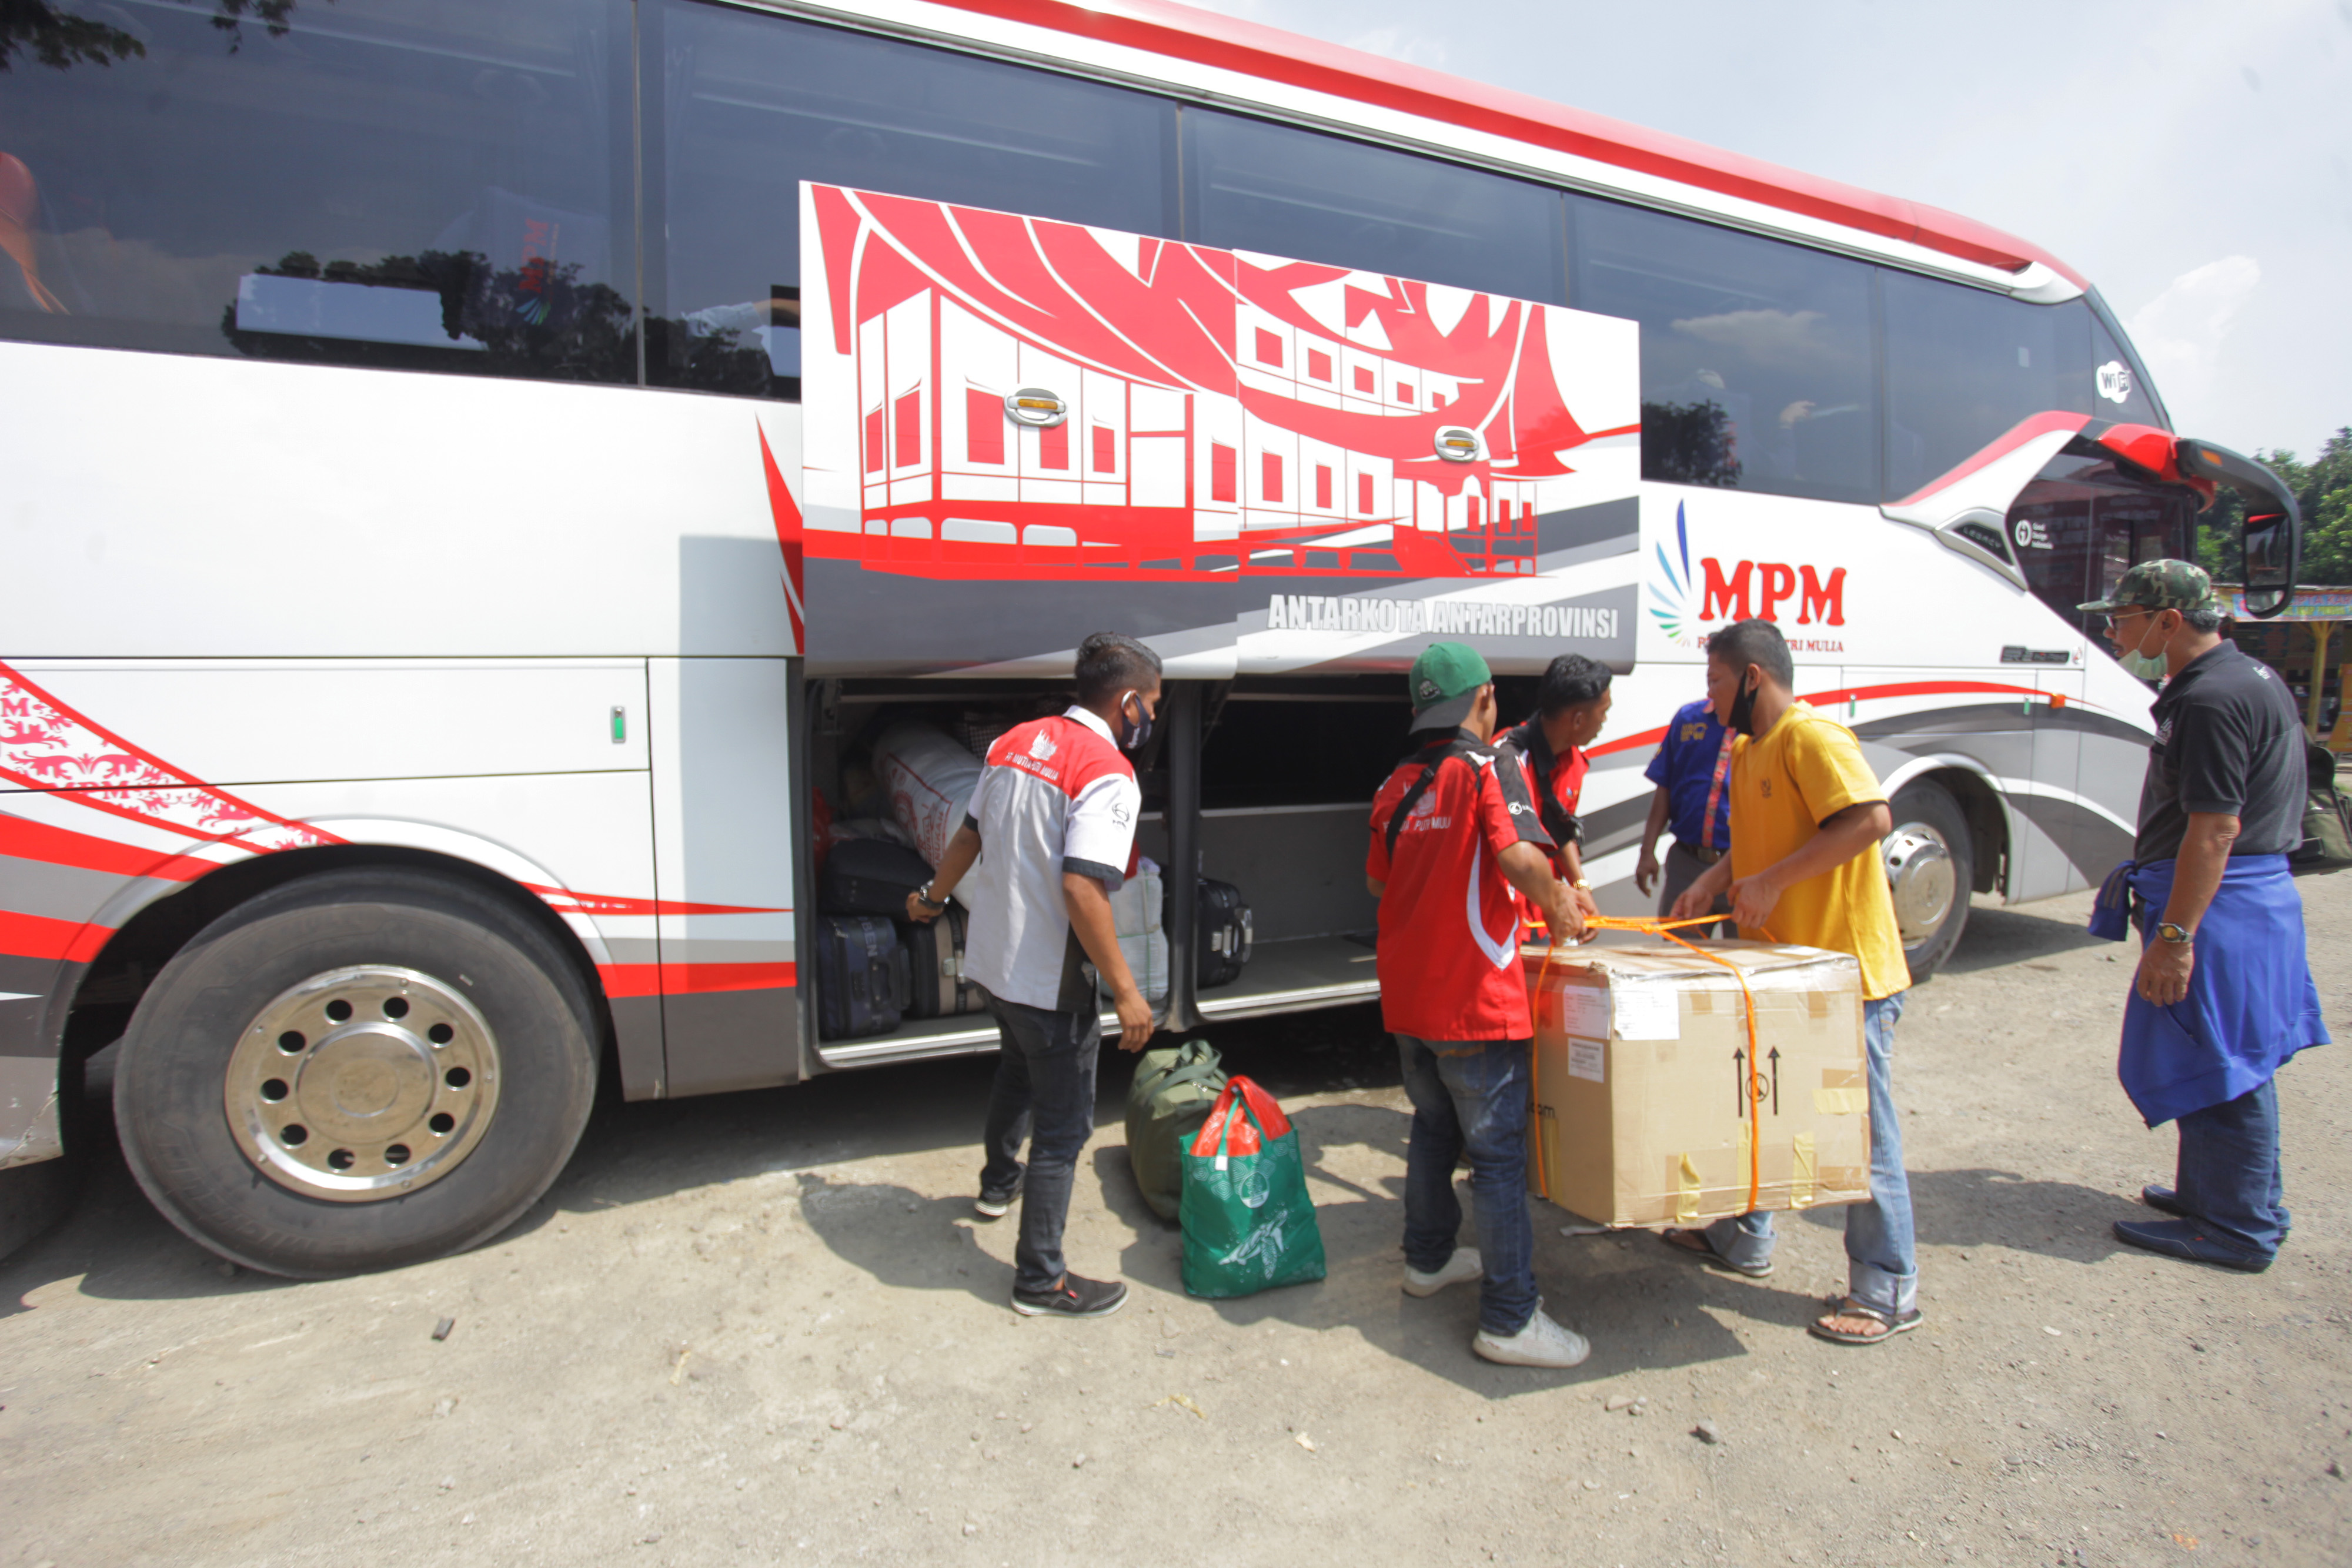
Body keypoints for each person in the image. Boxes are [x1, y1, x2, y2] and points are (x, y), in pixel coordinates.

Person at [1668, 620, 1920, 1346]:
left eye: (1715, 682)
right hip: (1782, 975)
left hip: (1846, 978)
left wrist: (1773, 883)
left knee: (1860, 1133)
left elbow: (1870, 819)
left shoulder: (1812, 738)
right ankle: (1744, 1237)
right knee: (1762, 1111)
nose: (1709, 700)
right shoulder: (1747, 750)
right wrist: (1713, 883)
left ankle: (1887, 1288)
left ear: (1752, 677)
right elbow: (1756, 845)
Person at [2081, 561, 2330, 1272]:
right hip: (2247, 899)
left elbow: (2214, 829)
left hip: (2218, 906)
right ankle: (2216, 1197)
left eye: (2122, 617)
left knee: (2225, 1061)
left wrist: (2175, 936)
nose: (2113, 630)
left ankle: (2237, 1227)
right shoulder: (2246, 677)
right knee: (2220, 1053)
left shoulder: (2210, 700)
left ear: (2168, 620)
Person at [908, 632, 1162, 1318]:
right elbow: (1084, 887)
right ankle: (1041, 1281)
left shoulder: (1014, 741)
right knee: (1062, 1129)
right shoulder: (1107, 771)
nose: (1154, 719)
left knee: (1016, 1073)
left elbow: (969, 836)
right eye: (1155, 705)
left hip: (993, 961)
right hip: (1049, 982)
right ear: (1130, 702)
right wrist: (1129, 991)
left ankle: (997, 1187)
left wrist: (933, 899)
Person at [1367, 642, 1590, 1368]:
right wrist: (1558, 903)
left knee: (1433, 1127)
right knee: (1496, 1160)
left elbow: (1379, 885)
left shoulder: (1395, 782)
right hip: (1473, 997)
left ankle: (1428, 1262)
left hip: (1408, 999)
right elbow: (1520, 857)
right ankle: (1509, 1319)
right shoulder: (1489, 763)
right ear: (1486, 698)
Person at [1499, 653, 1614, 931]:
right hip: (1508, 913)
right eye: (1604, 712)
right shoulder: (1505, 762)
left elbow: (1561, 830)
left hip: (1547, 911)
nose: (1605, 721)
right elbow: (1506, 854)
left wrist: (1581, 888)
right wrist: (1558, 898)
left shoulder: (1574, 760)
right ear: (1577, 720)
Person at [1634, 691, 1736, 937]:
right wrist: (1647, 852)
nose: (1712, 690)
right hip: (1688, 864)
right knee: (1678, 957)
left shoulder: (1760, 726)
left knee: (1747, 959)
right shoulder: (1689, 719)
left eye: (1718, 680)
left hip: (1740, 866)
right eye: (1710, 679)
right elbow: (1665, 786)